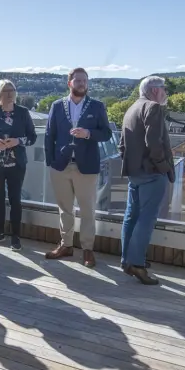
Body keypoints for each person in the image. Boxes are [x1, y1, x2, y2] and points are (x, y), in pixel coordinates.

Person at [43, 68, 112, 268]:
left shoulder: (97, 106)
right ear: (69, 83)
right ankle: (66, 246)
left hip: (86, 167)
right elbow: (49, 135)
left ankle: (87, 250)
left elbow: (106, 133)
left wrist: (88, 133)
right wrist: (51, 162)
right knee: (64, 209)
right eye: (78, 80)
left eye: (84, 80)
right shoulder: (57, 106)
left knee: (88, 210)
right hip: (61, 166)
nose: (82, 83)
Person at [118, 76, 173, 285]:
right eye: (163, 89)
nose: (165, 92)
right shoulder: (153, 108)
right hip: (152, 173)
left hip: (135, 173)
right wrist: (164, 167)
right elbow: (154, 143)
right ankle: (138, 265)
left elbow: (122, 145)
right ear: (155, 90)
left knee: (131, 216)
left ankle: (127, 261)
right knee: (146, 219)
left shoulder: (131, 108)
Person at [0, 79, 37, 250]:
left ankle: (15, 237)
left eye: (12, 90)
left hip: (17, 164)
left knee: (15, 200)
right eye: (5, 91)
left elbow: (32, 137)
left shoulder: (23, 113)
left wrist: (18, 141)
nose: (9, 94)